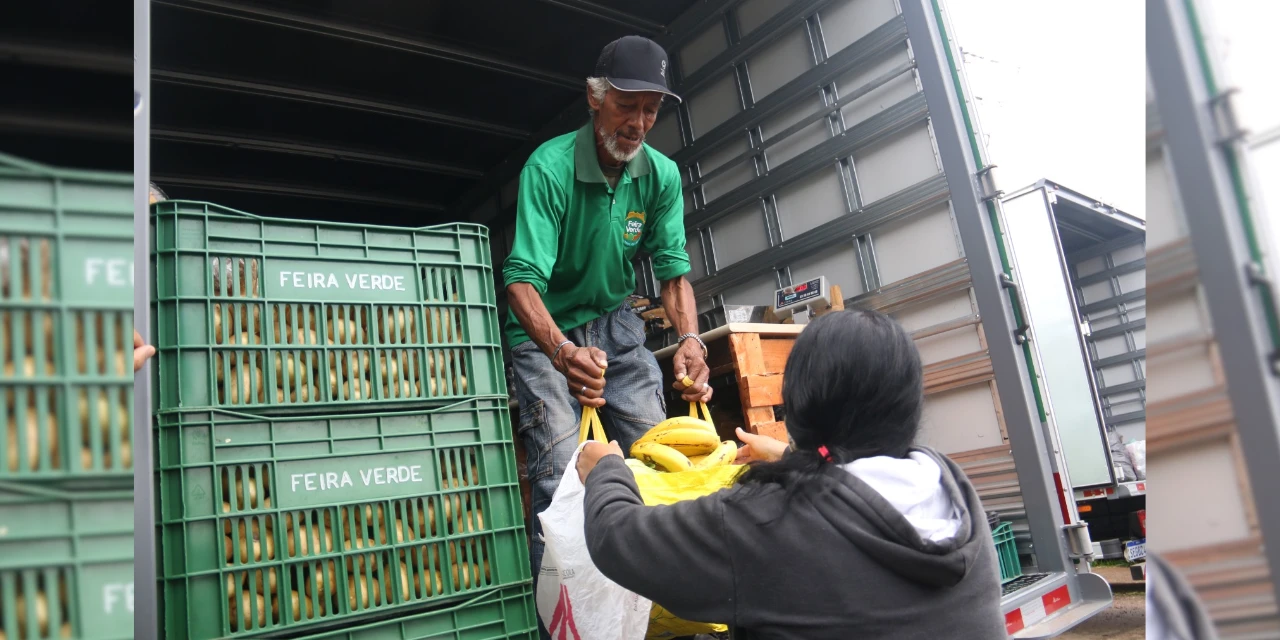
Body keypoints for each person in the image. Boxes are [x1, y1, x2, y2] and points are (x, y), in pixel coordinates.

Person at [575, 309, 1006, 639]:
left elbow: (621, 540)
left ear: (798, 408)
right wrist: (788, 455)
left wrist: (606, 471)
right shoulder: (950, 484)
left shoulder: (767, 521)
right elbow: (858, 490)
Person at [501, 35, 713, 634]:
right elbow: (519, 282)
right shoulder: (549, 168)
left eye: (652, 109)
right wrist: (564, 352)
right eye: (628, 105)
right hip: (547, 328)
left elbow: (673, 273)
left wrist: (691, 340)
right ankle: (564, 625)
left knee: (660, 455)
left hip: (617, 324)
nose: (640, 122)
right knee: (563, 480)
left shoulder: (660, 175)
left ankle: (659, 614)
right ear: (595, 99)